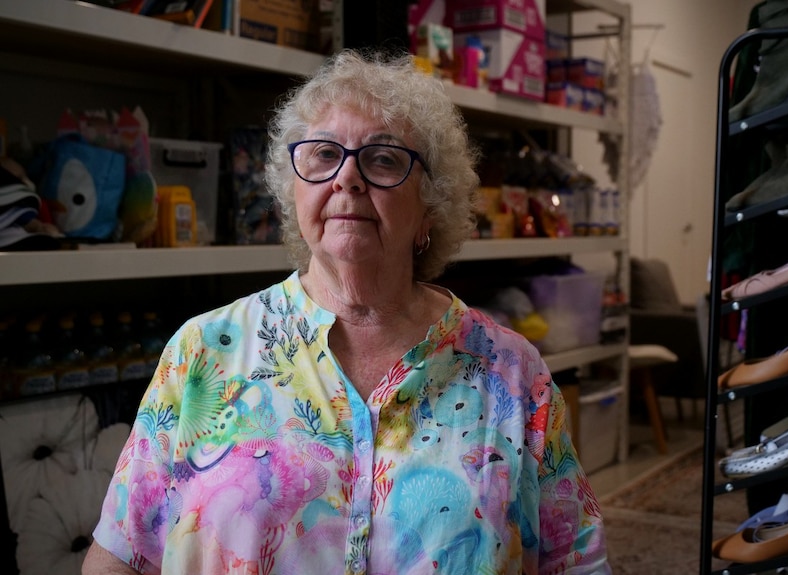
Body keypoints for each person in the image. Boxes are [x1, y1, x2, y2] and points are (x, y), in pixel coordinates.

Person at [83, 49, 611, 575]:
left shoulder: (514, 375)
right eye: (322, 155)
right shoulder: (203, 351)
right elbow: (119, 560)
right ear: (294, 191)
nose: (347, 178)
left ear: (431, 204)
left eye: (383, 159)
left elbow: (578, 565)